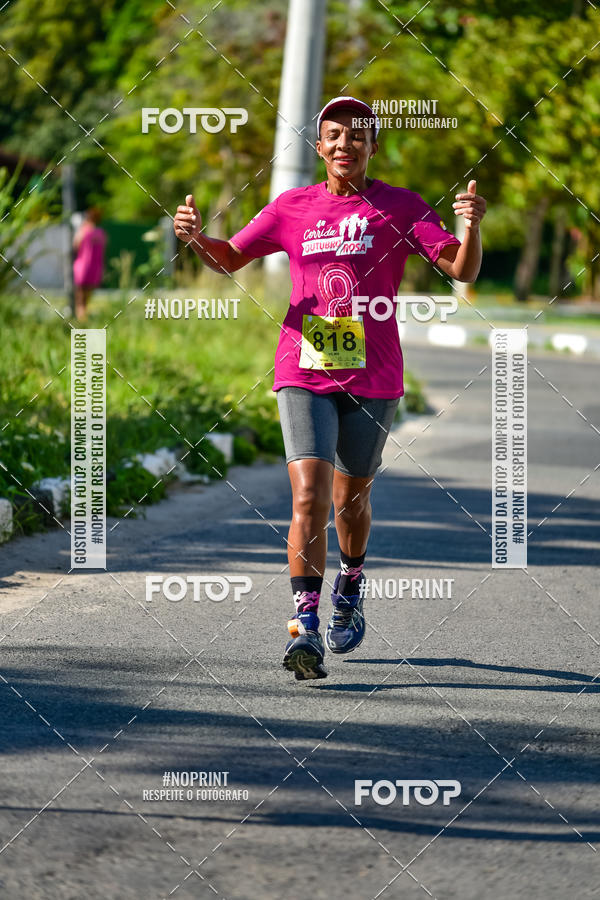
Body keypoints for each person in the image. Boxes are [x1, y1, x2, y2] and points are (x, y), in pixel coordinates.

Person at [173, 96, 486, 681]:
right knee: (308, 498)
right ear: (319, 148)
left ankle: (351, 581)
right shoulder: (292, 207)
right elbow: (230, 258)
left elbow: (461, 270)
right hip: (303, 369)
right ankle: (305, 626)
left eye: (357, 135)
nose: (345, 143)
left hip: (375, 375)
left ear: (372, 147)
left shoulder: (401, 207)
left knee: (350, 502)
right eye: (334, 135)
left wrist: (471, 226)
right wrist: (195, 240)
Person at [72, 207, 107, 321]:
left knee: (80, 298)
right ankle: (84, 318)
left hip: (83, 266)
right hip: (96, 267)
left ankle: (81, 320)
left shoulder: (83, 231)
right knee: (87, 297)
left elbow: (75, 246)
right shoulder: (101, 234)